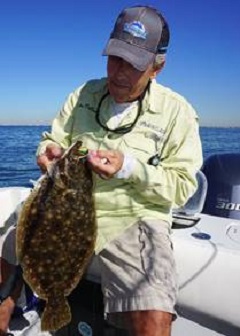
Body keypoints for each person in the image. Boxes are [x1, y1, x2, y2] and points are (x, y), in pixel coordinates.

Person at [36, 5, 203, 336]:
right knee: (8, 243)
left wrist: (130, 168)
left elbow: (183, 186)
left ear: (157, 68)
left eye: (133, 63)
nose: (119, 72)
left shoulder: (178, 113)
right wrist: (47, 153)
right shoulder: (83, 94)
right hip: (64, 207)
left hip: (131, 217)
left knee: (153, 313)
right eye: (114, 58)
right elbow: (51, 140)